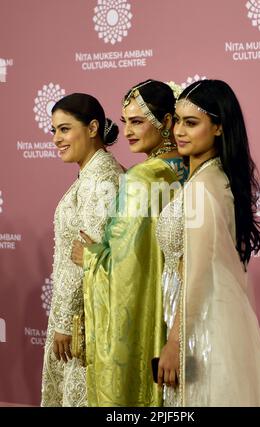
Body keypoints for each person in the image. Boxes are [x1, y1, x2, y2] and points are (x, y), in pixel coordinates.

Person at [156, 79, 260, 406]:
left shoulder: (202, 189)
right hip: (202, 317)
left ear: (217, 128)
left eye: (192, 123)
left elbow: (199, 272)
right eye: (178, 121)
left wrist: (175, 342)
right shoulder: (212, 178)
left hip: (199, 328)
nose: (179, 132)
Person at [71, 79, 188, 406]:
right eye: (125, 122)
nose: (129, 131)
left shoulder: (142, 178)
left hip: (149, 319)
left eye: (138, 121)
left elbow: (125, 270)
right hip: (178, 312)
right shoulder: (186, 170)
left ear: (166, 122)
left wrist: (90, 257)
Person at [41, 93, 123, 407]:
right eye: (53, 131)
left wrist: (65, 322)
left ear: (92, 128)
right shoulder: (91, 175)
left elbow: (86, 257)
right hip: (80, 318)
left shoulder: (101, 180)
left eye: (64, 129)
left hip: (84, 324)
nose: (56, 139)